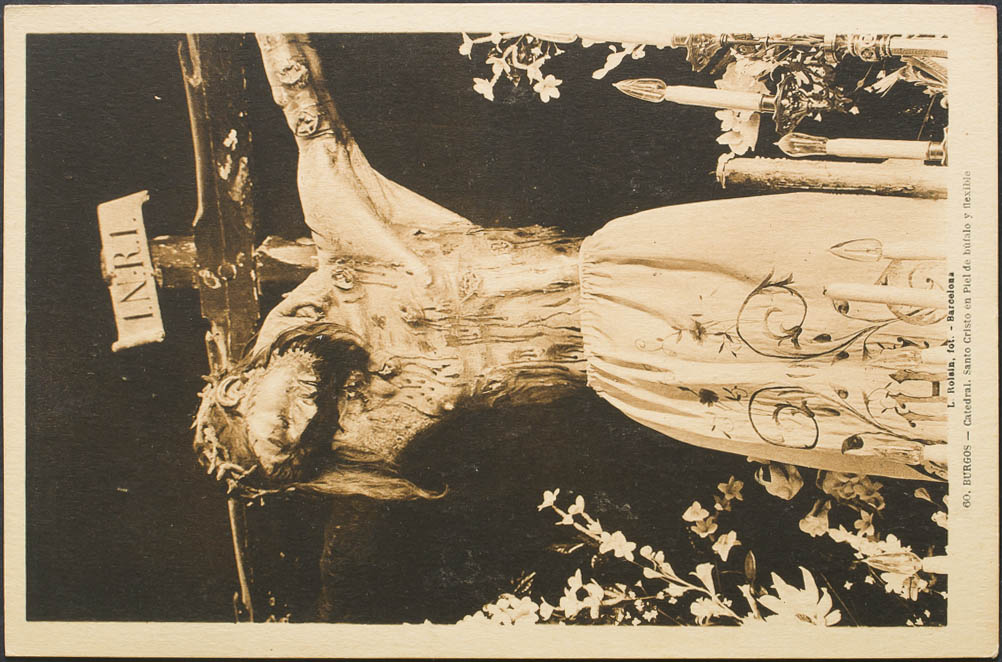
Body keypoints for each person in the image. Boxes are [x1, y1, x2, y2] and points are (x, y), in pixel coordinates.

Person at [193, 34, 947, 501]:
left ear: (238, 384)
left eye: (276, 420)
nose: (303, 422)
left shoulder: (349, 257)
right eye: (296, 447)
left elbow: (304, 103)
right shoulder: (373, 429)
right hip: (649, 377)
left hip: (647, 270)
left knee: (873, 267)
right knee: (876, 395)